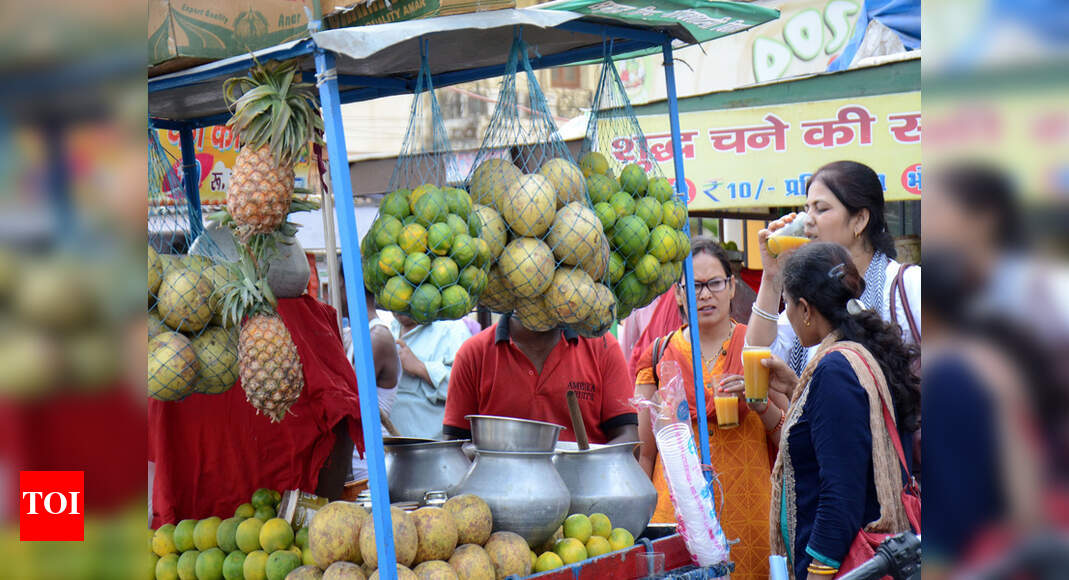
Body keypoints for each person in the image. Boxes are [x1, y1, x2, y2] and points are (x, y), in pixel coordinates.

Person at [766, 242, 920, 579]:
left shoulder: (836, 369)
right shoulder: (868, 351)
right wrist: (796, 389)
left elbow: (841, 496)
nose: (787, 315)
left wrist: (818, 573)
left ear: (805, 309)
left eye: (787, 304)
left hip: (848, 567)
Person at [633, 238, 782, 580]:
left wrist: (760, 405)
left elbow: (788, 436)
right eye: (694, 286)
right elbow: (645, 454)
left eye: (714, 283)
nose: (705, 295)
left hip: (750, 515)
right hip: (678, 517)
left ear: (731, 287)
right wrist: (639, 525)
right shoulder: (658, 356)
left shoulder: (757, 347)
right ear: (678, 294)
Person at [746, 161, 921, 382]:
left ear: (860, 220)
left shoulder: (909, 284)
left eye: (821, 209)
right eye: (807, 209)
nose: (808, 221)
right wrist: (772, 274)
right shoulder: (812, 294)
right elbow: (760, 358)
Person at [443, 312, 638, 445]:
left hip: (585, 490)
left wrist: (583, 466)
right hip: (500, 490)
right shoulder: (473, 354)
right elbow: (454, 446)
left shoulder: (602, 346)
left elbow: (628, 437)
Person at [345, 288, 401, 482]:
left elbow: (346, 396)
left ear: (345, 284)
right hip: (354, 460)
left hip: (368, 465)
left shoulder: (377, 337)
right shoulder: (353, 334)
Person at [389, 313, 472, 440]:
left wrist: (421, 368)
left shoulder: (452, 329)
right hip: (391, 445)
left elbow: (467, 390)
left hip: (433, 447)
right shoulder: (390, 329)